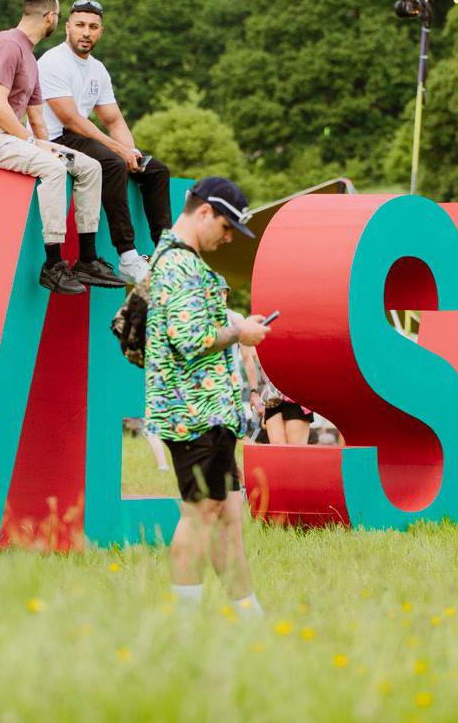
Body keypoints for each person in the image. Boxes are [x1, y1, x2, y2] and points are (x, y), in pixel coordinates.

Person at [144, 177, 270, 613]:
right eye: (227, 226)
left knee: (228, 517)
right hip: (193, 412)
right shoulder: (179, 265)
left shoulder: (182, 261)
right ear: (203, 213)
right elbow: (189, 337)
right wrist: (241, 331)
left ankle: (250, 618)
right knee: (201, 514)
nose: (229, 236)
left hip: (208, 412)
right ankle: (183, 627)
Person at [0, 0, 124, 295]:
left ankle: (87, 259)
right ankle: (52, 264)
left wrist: (49, 145)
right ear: (51, 17)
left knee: (89, 167)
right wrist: (35, 146)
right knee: (53, 169)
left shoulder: (31, 58)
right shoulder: (9, 45)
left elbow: (37, 121)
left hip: (14, 137)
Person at [38, 0, 172, 283]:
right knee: (112, 162)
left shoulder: (98, 69)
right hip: (54, 138)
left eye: (93, 27)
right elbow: (71, 120)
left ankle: (168, 253)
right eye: (80, 25)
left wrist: (131, 151)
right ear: (67, 27)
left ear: (101, 31)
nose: (86, 32)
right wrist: (118, 150)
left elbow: (113, 120)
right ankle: (127, 256)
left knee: (155, 170)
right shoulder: (52, 62)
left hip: (79, 135)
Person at [246, 345, 310, 445]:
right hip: (272, 397)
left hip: (296, 394)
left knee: (295, 451)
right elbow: (248, 354)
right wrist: (255, 394)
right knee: (277, 449)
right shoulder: (262, 334)